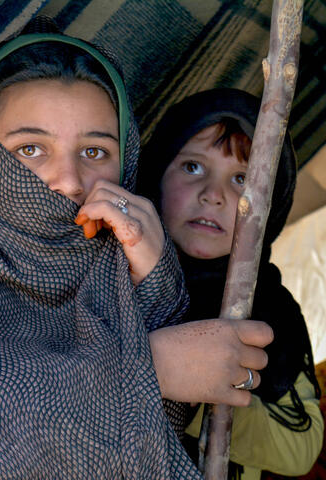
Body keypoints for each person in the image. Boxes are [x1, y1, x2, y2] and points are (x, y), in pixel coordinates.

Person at [0, 18, 273, 478]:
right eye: (31, 149)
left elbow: (152, 442)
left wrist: (155, 279)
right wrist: (146, 366)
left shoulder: (116, 261)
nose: (70, 181)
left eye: (95, 152)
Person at [137, 88, 323, 479]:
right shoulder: (106, 271)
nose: (213, 196)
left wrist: (201, 389)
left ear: (271, 207)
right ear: (156, 172)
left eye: (242, 178)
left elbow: (300, 448)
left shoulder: (272, 311)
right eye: (192, 167)